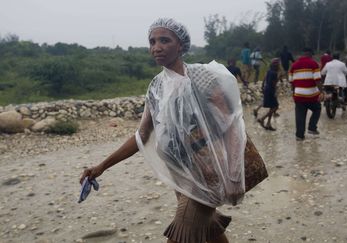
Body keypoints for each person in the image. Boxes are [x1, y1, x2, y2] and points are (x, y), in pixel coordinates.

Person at [79, 18, 247, 243]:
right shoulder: (156, 87)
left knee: (183, 231)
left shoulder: (201, 77)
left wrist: (235, 174)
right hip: (179, 172)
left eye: (164, 40)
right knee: (208, 227)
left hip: (207, 172)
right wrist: (102, 166)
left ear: (180, 45)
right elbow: (142, 135)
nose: (156, 47)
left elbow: (231, 125)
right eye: (152, 41)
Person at [289, 48, 322, 141]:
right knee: (317, 108)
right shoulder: (314, 64)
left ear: (302, 54)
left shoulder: (294, 65)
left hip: (298, 95)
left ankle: (299, 136)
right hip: (311, 95)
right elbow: (318, 80)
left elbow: (291, 81)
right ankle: (312, 127)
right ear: (310, 54)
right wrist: (322, 92)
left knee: (300, 115)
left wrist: (294, 92)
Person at [256, 58, 280, 131]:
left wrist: (262, 86)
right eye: (278, 64)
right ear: (276, 65)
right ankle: (262, 118)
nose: (279, 65)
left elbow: (265, 79)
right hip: (270, 91)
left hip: (267, 89)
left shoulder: (269, 71)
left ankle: (268, 124)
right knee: (275, 106)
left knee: (272, 107)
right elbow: (274, 84)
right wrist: (275, 92)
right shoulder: (274, 73)